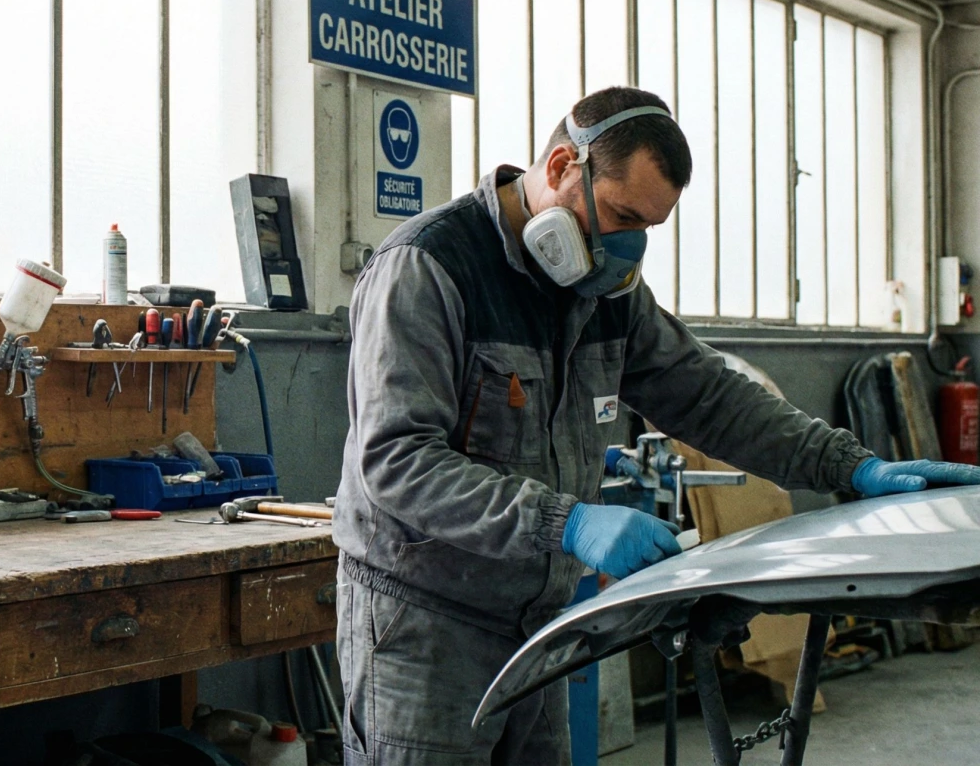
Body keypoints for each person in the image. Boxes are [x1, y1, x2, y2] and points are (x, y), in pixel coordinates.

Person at [332, 86, 980, 765]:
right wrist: (570, 524)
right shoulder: (429, 267)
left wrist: (851, 467)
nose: (627, 245)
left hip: (537, 623)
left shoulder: (603, 291)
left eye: (646, 227)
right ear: (559, 168)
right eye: (619, 214)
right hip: (425, 628)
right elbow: (397, 463)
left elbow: (710, 396)